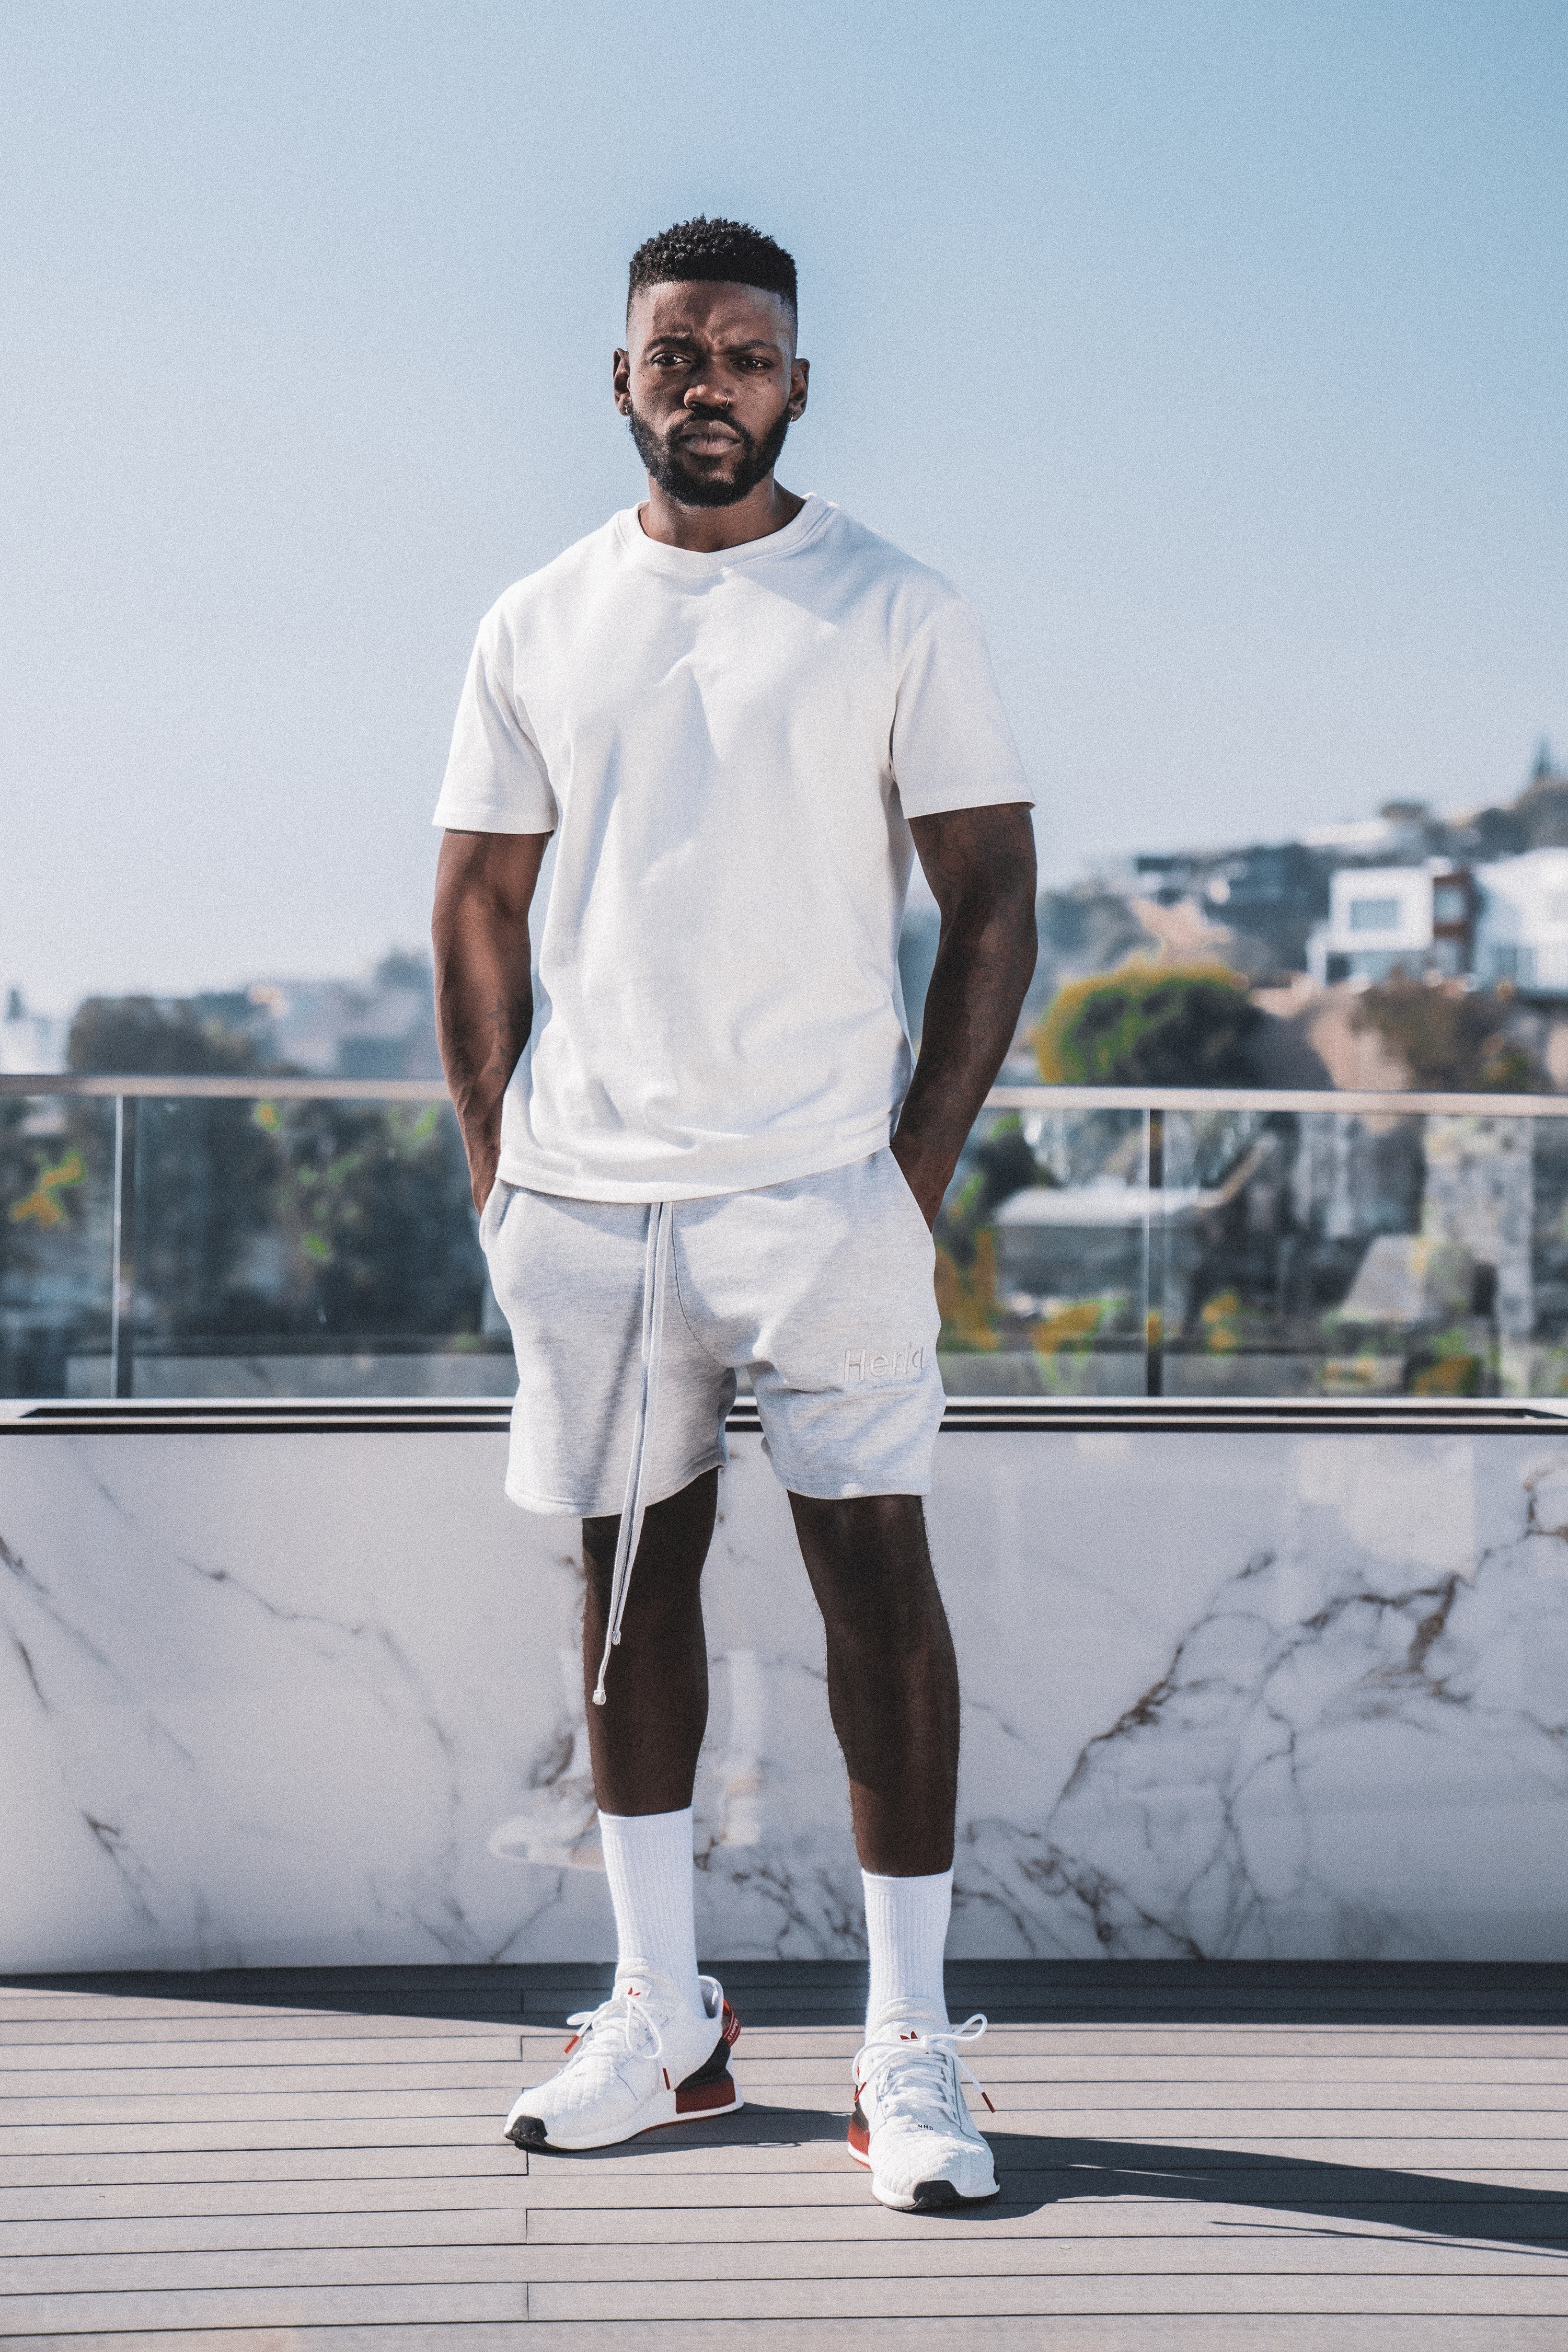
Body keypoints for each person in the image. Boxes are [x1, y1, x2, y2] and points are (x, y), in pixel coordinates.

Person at [431, 216, 1036, 2212]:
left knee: (880, 1590)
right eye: (675, 349)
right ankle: (664, 2012)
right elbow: (475, 904)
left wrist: (909, 1172)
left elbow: (994, 894)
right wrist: (499, 1175)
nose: (710, 378)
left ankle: (910, 2046)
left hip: (817, 1192)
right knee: (629, 1594)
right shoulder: (535, 619)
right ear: (620, 379)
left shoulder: (897, 607)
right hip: (593, 1202)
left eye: (748, 352)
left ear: (800, 385)